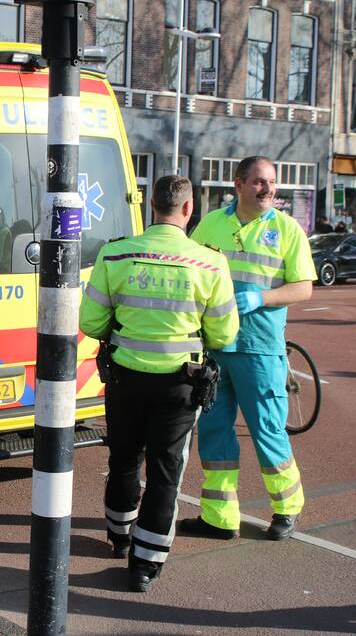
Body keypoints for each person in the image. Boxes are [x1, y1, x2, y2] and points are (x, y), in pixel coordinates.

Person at [78, 175, 239, 593]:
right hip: (180, 387)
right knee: (167, 474)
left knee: (124, 459)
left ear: (152, 205)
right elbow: (223, 336)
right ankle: (145, 565)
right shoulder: (210, 263)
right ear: (189, 210)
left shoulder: (115, 255)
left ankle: (118, 535)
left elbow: (89, 322)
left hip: (125, 380)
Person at [183, 156, 316, 542]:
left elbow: (304, 287)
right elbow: (191, 269)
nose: (269, 189)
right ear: (238, 184)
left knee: (268, 431)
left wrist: (262, 297)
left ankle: (287, 509)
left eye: (271, 183)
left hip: (259, 348)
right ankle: (220, 518)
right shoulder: (211, 224)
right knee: (214, 432)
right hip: (216, 346)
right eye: (259, 182)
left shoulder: (288, 229)